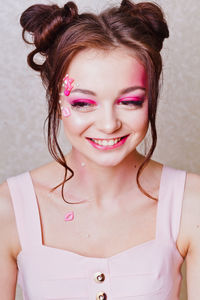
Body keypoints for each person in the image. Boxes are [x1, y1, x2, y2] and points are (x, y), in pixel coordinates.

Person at [0, 0, 200, 299]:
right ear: (57, 99)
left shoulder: (190, 202)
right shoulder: (9, 207)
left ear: (151, 98)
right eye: (83, 103)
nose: (108, 125)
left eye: (130, 101)